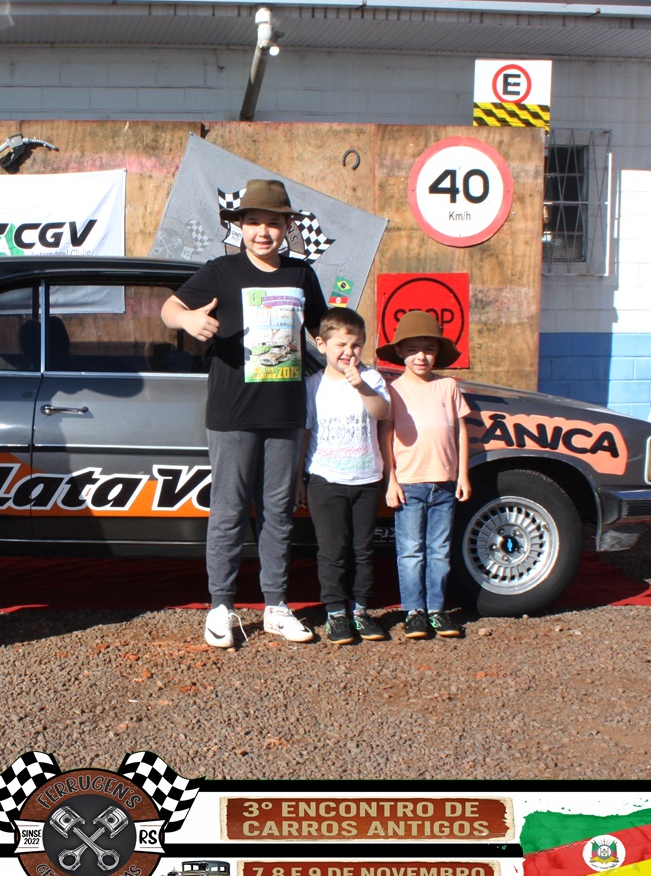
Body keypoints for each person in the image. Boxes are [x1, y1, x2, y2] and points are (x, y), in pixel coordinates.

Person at [161, 178, 328, 647]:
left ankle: (275, 605)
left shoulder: (301, 274)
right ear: (240, 226)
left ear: (287, 228)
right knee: (229, 511)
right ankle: (221, 606)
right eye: (254, 222)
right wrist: (189, 319)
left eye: (273, 223)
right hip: (232, 413)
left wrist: (350, 359)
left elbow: (322, 330)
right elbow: (169, 308)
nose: (263, 232)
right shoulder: (220, 271)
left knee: (278, 512)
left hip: (287, 413)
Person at [297, 306, 391, 644]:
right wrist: (298, 479)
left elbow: (382, 412)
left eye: (356, 345)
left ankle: (361, 610)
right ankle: (336, 612)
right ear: (322, 344)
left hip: (366, 479)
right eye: (341, 345)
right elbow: (306, 433)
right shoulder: (313, 385)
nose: (349, 352)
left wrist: (362, 386)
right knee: (332, 550)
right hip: (324, 479)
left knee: (362, 549)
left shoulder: (373, 379)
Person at [378, 310, 472, 640]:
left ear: (438, 353)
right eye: (412, 349)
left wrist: (463, 475)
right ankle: (414, 611)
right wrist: (391, 480)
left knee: (440, 551)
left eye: (429, 349)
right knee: (410, 552)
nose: (421, 356)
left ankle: (436, 609)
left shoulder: (448, 386)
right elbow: (386, 435)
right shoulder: (393, 389)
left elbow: (461, 431)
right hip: (408, 483)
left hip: (445, 483)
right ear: (400, 352)